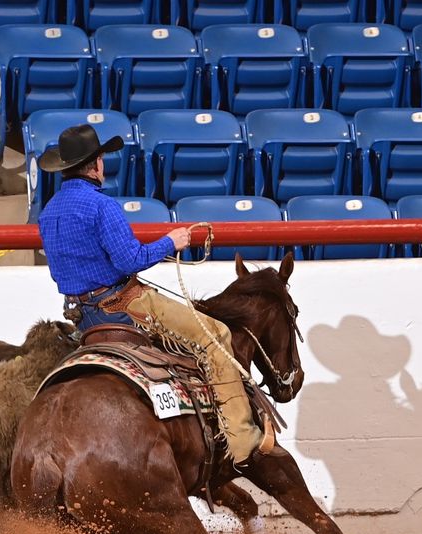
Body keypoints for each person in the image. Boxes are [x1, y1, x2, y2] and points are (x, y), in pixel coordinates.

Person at [36, 124, 275, 467]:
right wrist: (171, 242)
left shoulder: (48, 214)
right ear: (96, 163)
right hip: (125, 302)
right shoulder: (102, 207)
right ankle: (243, 441)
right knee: (216, 336)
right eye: (102, 158)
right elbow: (130, 260)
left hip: (82, 314)